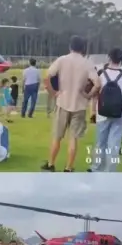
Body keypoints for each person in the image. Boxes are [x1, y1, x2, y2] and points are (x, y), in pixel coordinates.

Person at [42, 35, 100, 172]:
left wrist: (53, 93)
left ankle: (51, 164)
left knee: (57, 137)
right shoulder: (87, 63)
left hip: (63, 102)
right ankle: (68, 167)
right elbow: (97, 84)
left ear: (70, 46)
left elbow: (47, 77)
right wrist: (88, 95)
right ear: (83, 48)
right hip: (79, 105)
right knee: (73, 139)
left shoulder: (62, 60)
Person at [89, 48, 122, 173]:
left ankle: (96, 168)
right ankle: (110, 172)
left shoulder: (101, 73)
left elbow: (95, 95)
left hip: (102, 113)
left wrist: (92, 111)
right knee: (114, 145)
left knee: (100, 143)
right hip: (119, 114)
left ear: (109, 57)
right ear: (121, 60)